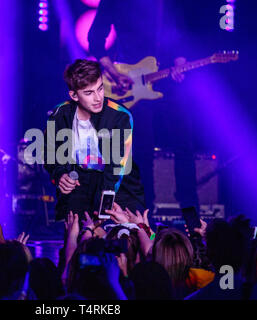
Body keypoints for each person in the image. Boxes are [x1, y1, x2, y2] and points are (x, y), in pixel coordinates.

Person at [88, 0, 199, 211]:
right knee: (142, 150)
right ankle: (145, 215)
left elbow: (179, 35)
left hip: (167, 80)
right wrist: (113, 72)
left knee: (184, 145)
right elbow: (95, 37)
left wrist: (180, 62)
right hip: (132, 81)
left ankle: (191, 216)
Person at [44, 59, 145, 221]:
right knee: (74, 235)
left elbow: (116, 168)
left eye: (100, 88)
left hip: (117, 185)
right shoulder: (59, 115)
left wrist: (102, 211)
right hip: (80, 182)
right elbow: (50, 156)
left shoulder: (120, 115)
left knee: (127, 237)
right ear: (74, 95)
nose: (98, 98)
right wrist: (60, 175)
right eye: (89, 93)